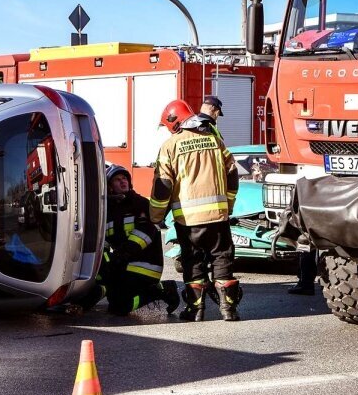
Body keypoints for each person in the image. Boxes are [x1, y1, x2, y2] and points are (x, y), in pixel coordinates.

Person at [150, 97, 242, 322]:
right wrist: (228, 205)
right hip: (218, 217)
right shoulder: (213, 139)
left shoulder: (170, 146)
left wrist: (156, 216)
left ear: (173, 122)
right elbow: (232, 174)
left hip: (188, 220)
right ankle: (228, 310)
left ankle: (195, 310)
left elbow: (163, 186)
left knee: (193, 263)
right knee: (222, 260)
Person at [83, 164, 180, 315]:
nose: (123, 182)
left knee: (121, 307)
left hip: (145, 265)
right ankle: (92, 295)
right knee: (114, 302)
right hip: (124, 264)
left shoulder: (140, 203)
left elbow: (145, 233)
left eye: (124, 178)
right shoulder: (108, 209)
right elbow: (105, 240)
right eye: (117, 180)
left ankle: (160, 290)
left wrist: (122, 254)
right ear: (109, 186)